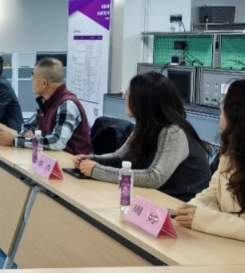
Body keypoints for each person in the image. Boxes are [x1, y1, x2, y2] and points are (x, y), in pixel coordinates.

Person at [74, 72, 212, 202]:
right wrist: (91, 160)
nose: (125, 97)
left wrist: (97, 170)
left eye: (129, 93)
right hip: (157, 199)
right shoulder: (144, 127)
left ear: (143, 102)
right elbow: (120, 158)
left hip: (180, 206)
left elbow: (154, 177)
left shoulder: (174, 132)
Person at [175, 79, 245, 245]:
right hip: (227, 246)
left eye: (226, 102)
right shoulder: (231, 153)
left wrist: (207, 221)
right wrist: (190, 209)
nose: (221, 107)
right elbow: (213, 193)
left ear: (242, 112)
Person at [0, 57, 93, 156]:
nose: (31, 79)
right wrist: (27, 135)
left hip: (73, 162)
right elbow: (26, 126)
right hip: (52, 158)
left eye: (33, 76)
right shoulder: (46, 102)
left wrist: (15, 141)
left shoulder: (67, 105)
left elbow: (57, 142)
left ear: (44, 83)